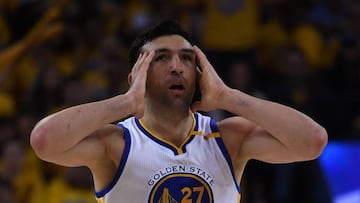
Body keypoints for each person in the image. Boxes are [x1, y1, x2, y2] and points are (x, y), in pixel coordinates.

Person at [30, 20, 328, 203]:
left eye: (186, 58)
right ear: (137, 75)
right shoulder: (116, 144)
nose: (176, 67)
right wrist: (123, 103)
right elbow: (45, 140)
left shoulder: (228, 138)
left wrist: (228, 96)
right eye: (161, 58)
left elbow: (312, 141)